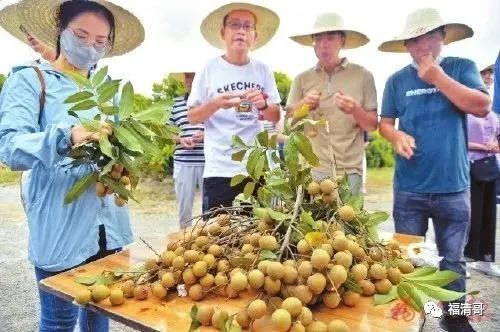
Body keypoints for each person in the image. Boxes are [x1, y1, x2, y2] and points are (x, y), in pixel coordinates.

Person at [0, 0, 144, 331]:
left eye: (100, 41)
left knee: (100, 315)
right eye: (81, 34)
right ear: (60, 30)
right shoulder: (30, 81)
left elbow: (118, 147)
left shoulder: (108, 91)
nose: (90, 46)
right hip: (60, 227)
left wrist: (127, 156)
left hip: (108, 228)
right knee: (59, 321)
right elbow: (9, 148)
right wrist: (67, 136)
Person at [378, 8, 490, 332]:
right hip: (409, 188)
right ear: (406, 45)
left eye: (430, 35)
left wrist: (437, 77)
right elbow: (385, 123)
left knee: (452, 261)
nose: (423, 44)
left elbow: (481, 106)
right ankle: (413, 318)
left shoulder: (460, 67)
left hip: (453, 187)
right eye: (415, 39)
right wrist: (396, 135)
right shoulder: (396, 81)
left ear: (443, 37)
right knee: (408, 259)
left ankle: (453, 321)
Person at [187, 2, 281, 214]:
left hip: (255, 169)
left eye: (247, 26)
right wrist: (215, 104)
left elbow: (275, 116)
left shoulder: (263, 70)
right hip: (219, 169)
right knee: (216, 239)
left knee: (256, 237)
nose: (241, 31)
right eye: (234, 25)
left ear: (255, 36)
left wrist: (264, 104)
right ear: (223, 32)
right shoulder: (209, 69)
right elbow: (192, 116)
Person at [286, 12, 378, 195]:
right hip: (311, 170)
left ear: (342, 41)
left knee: (347, 222)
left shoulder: (363, 76)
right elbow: (288, 124)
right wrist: (303, 106)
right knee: (312, 223)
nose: (324, 44)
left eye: (330, 37)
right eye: (318, 38)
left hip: (349, 171)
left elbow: (372, 125)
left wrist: (355, 110)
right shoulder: (302, 79)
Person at [464, 63, 500, 277]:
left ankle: (485, 259)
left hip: (490, 167)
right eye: (483, 73)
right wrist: (483, 146)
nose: (487, 77)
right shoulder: (466, 111)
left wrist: (495, 145)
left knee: (489, 213)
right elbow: (461, 140)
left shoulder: (493, 113)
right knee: (470, 214)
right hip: (471, 166)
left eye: (490, 74)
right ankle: (465, 258)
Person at [169, 72, 205, 228]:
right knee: (184, 208)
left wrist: (206, 134)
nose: (191, 80)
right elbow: (166, 132)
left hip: (208, 162)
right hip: (183, 162)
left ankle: (210, 243)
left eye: (194, 76)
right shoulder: (176, 104)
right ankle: (184, 242)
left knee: (211, 209)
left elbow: (223, 129)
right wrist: (180, 139)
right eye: (188, 76)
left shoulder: (211, 103)